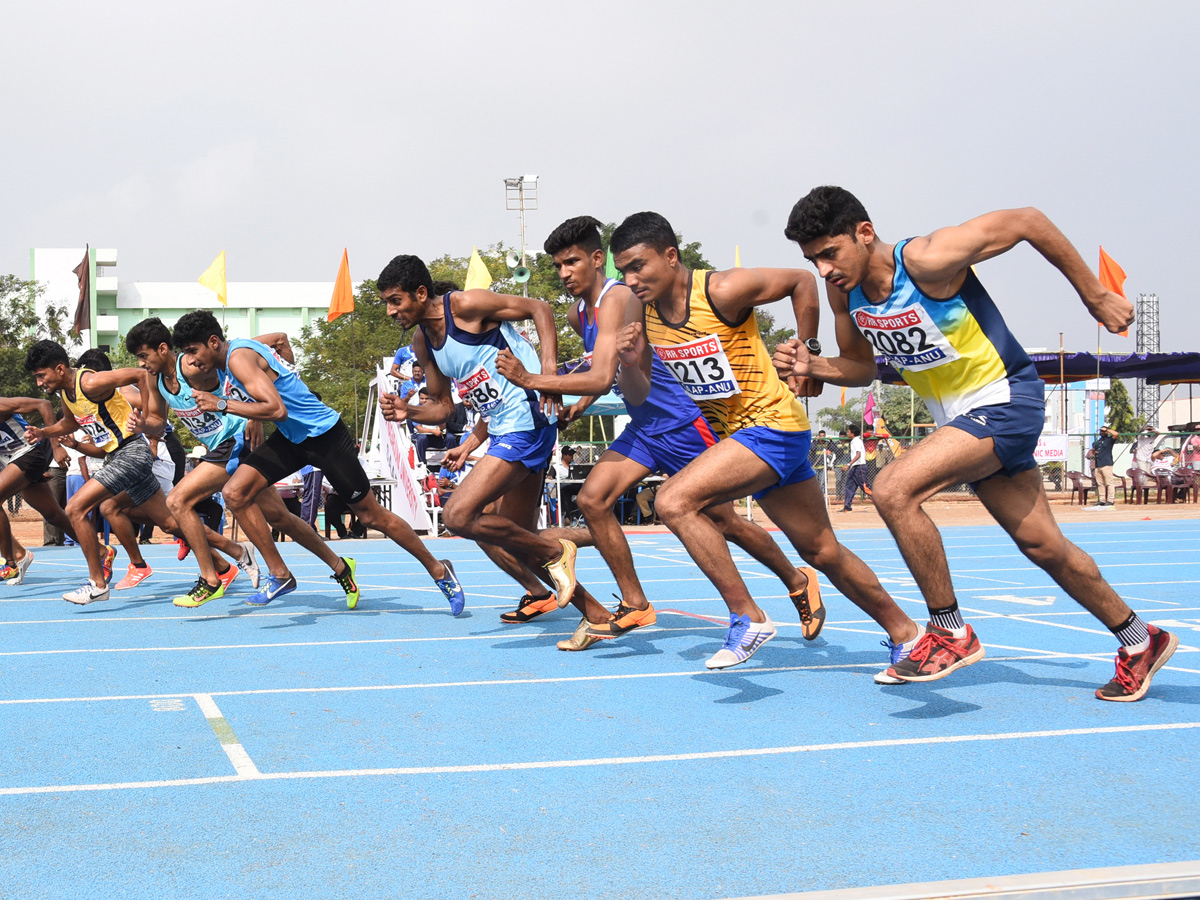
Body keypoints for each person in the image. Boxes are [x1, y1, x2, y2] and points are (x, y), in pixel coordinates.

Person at [777, 184, 1176, 700]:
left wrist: (1094, 294)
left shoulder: (926, 259)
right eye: (813, 260)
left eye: (830, 253)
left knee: (894, 488)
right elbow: (859, 366)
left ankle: (949, 632)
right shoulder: (843, 293)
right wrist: (815, 367)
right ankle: (1140, 641)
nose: (825, 269)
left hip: (1005, 400)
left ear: (865, 233)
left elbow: (1029, 220)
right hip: (959, 419)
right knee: (1043, 545)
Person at [496, 214, 823, 650]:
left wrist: (532, 379)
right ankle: (635, 602)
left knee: (723, 521)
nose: (564, 273)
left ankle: (796, 579)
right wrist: (579, 405)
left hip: (684, 423)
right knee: (593, 499)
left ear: (598, 260)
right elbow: (606, 374)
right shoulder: (578, 315)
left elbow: (597, 376)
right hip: (644, 427)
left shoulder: (620, 298)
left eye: (571, 262)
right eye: (557, 266)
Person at [612, 211, 918, 672]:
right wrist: (633, 364)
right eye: (624, 272)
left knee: (673, 501)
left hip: (772, 426)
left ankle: (747, 615)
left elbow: (800, 280)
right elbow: (638, 397)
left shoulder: (720, 290)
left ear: (670, 256)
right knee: (821, 552)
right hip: (747, 438)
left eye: (638, 266)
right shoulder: (648, 317)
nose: (631, 280)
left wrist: (806, 351)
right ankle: (906, 633)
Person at [169, 310, 465, 612]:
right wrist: (282, 375)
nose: (191, 360)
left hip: (324, 436)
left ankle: (438, 569)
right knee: (236, 493)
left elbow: (276, 409)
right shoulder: (234, 354)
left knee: (371, 516)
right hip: (292, 438)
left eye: (194, 351)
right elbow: (279, 339)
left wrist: (224, 404)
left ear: (214, 342)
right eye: (186, 353)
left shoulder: (237, 359)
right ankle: (280, 574)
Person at [375, 253, 608, 634]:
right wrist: (408, 410)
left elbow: (540, 308)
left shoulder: (465, 305)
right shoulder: (422, 341)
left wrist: (547, 373)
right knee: (513, 538)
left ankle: (555, 552)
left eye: (395, 300)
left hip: (527, 417)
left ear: (420, 293)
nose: (389, 311)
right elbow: (443, 408)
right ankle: (596, 609)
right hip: (501, 428)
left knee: (458, 516)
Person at [22, 340, 234, 605]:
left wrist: (148, 418)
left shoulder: (89, 382)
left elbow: (139, 374)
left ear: (60, 368)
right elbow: (68, 422)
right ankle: (229, 559)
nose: (40, 383)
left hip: (131, 452)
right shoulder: (67, 394)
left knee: (75, 508)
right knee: (167, 522)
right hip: (117, 455)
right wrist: (44, 432)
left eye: (42, 376)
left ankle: (97, 583)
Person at [0, 396, 78, 583]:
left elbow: (43, 404)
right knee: (54, 515)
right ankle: (99, 551)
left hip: (28, 454)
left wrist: (56, 446)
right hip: (12, 464)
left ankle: (10, 563)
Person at [841, 423, 869, 512]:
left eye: (849, 432)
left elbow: (858, 455)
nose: (847, 433)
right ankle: (847, 507)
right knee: (849, 486)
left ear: (852, 433)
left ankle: (882, 502)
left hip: (859, 467)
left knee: (865, 488)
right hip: (854, 467)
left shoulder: (857, 441)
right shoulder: (853, 441)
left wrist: (848, 465)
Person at [1089, 425, 1117, 507]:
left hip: (1106, 464)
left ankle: (1110, 500)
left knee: (1109, 482)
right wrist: (1094, 452)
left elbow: (1116, 434)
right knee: (1100, 483)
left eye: (1103, 431)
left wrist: (1108, 430)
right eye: (1101, 431)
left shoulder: (1109, 440)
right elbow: (1095, 450)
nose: (1102, 432)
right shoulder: (1097, 442)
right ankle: (1102, 500)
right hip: (1098, 464)